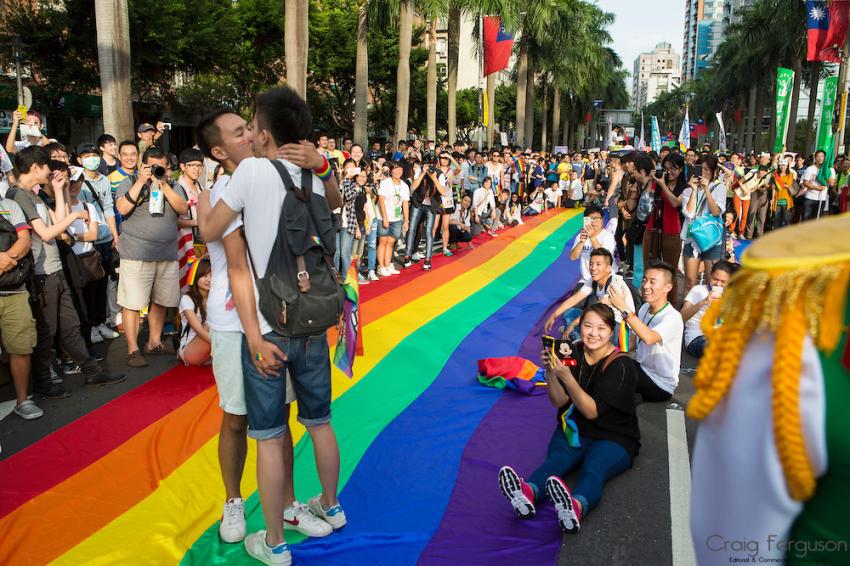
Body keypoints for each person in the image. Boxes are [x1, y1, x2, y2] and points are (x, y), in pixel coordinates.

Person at [198, 88, 346, 565]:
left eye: (249, 125)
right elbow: (338, 206)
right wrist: (323, 165)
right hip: (310, 321)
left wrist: (202, 207)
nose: (246, 133)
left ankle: (276, 540)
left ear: (262, 133)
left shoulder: (249, 173)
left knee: (266, 432)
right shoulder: (310, 169)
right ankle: (331, 505)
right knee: (315, 423)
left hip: (266, 324)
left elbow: (212, 236)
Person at [498, 304, 639, 534]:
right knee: (556, 462)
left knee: (594, 469)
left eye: (601, 328)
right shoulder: (571, 351)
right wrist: (552, 373)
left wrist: (566, 376)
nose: (593, 333)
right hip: (576, 427)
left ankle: (575, 506)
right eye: (588, 326)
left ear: (611, 330)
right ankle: (526, 493)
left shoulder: (621, 365)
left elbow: (592, 411)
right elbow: (560, 401)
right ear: (580, 326)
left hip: (615, 436)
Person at [8, 146, 125, 398]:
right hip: (41, 275)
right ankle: (43, 381)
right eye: (47, 166)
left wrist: (60, 192)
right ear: (36, 167)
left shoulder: (34, 194)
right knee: (47, 331)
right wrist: (75, 217)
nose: (51, 171)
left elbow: (56, 224)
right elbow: (48, 233)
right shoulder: (19, 196)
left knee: (70, 326)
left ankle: (92, 371)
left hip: (54, 270)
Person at [115, 147, 190, 368]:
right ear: (143, 165)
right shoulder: (129, 182)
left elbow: (182, 208)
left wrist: (164, 184)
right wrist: (141, 182)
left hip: (166, 253)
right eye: (152, 165)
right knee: (132, 303)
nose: (157, 169)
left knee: (160, 300)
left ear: (168, 167)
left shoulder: (174, 185)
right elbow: (122, 208)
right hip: (137, 252)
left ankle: (154, 342)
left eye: (162, 166)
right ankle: (132, 348)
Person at [607, 261, 683, 402]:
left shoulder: (673, 317)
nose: (645, 286)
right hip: (642, 369)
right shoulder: (645, 308)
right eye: (644, 280)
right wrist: (611, 353)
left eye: (652, 282)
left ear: (668, 287)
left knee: (613, 374)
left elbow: (649, 338)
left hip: (659, 384)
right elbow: (634, 341)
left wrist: (623, 307)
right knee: (606, 363)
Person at [76, 143, 121, 342]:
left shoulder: (104, 180)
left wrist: (115, 236)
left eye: (94, 155)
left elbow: (109, 208)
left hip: (105, 238)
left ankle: (101, 323)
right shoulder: (77, 181)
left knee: (104, 281)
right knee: (90, 285)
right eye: (86, 156)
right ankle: (91, 326)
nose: (91, 159)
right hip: (87, 240)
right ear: (79, 160)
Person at [545, 248, 634, 346]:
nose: (593, 268)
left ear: (609, 268)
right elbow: (574, 299)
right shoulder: (593, 281)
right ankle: (577, 338)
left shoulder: (615, 283)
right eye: (591, 264)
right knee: (570, 312)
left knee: (585, 320)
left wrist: (573, 324)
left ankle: (579, 342)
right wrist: (554, 315)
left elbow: (596, 309)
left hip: (621, 328)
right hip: (605, 320)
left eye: (598, 264)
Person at [1, 193, 39, 419]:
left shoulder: (9, 205)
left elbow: (24, 239)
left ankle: (22, 400)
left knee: (20, 347)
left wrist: (6, 260)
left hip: (14, 290)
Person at [680, 155, 726, 299]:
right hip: (692, 239)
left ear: (713, 172)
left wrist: (707, 190)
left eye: (707, 170)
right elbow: (689, 212)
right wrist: (694, 190)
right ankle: (688, 312)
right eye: (701, 169)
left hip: (712, 241)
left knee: (712, 281)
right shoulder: (688, 191)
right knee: (689, 281)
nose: (703, 173)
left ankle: (709, 312)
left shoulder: (719, 188)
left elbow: (716, 211)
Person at [681, 260, 737, 358]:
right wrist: (704, 302)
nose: (718, 284)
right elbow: (681, 316)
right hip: (698, 337)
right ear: (710, 275)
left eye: (723, 282)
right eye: (715, 279)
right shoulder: (698, 290)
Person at [404, 165, 444, 271]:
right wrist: (422, 173)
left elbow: (443, 192)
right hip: (418, 203)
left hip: (431, 205)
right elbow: (413, 186)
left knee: (428, 232)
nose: (428, 167)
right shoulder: (419, 170)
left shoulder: (439, 174)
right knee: (412, 228)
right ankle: (407, 256)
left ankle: (428, 259)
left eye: (430, 165)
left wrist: (434, 178)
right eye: (425, 165)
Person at [176, 148, 206, 292]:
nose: (196, 169)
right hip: (183, 243)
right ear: (182, 166)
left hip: (200, 243)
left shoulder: (200, 187)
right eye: (192, 165)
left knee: (198, 280)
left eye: (199, 165)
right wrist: (197, 222)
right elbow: (172, 220)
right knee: (184, 282)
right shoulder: (177, 188)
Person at [569, 205, 617, 285]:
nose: (593, 221)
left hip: (606, 279)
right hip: (586, 280)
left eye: (596, 218)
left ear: (602, 220)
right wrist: (581, 242)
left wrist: (592, 237)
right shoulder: (581, 236)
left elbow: (605, 256)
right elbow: (572, 257)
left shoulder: (608, 236)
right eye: (590, 219)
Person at [376, 161, 410, 277]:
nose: (398, 171)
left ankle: (388, 265)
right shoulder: (385, 183)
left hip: (396, 218)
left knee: (391, 242)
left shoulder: (404, 186)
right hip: (383, 216)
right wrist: (385, 218)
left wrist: (406, 220)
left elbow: (405, 203)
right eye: (395, 169)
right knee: (383, 241)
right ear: (391, 171)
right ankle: (381, 266)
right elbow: (381, 200)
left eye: (400, 169)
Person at [178, 257, 212, 366]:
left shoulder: (215, 298)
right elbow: (200, 331)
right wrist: (222, 344)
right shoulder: (187, 299)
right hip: (190, 350)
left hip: (209, 347)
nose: (209, 280)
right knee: (211, 324)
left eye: (212, 276)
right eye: (204, 275)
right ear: (195, 277)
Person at [799, 149, 835, 221]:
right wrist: (816, 188)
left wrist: (826, 173)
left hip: (822, 198)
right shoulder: (810, 169)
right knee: (806, 220)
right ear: (815, 158)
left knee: (816, 220)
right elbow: (805, 183)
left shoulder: (830, 170)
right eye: (818, 156)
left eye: (822, 156)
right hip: (810, 198)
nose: (820, 158)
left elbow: (831, 184)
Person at [770, 159, 795, 229]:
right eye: (781, 165)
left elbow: (788, 185)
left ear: (787, 166)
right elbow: (773, 188)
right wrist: (772, 198)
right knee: (776, 220)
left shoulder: (790, 174)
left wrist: (777, 184)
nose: (782, 167)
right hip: (776, 200)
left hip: (787, 201)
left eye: (784, 165)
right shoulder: (775, 174)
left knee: (786, 220)